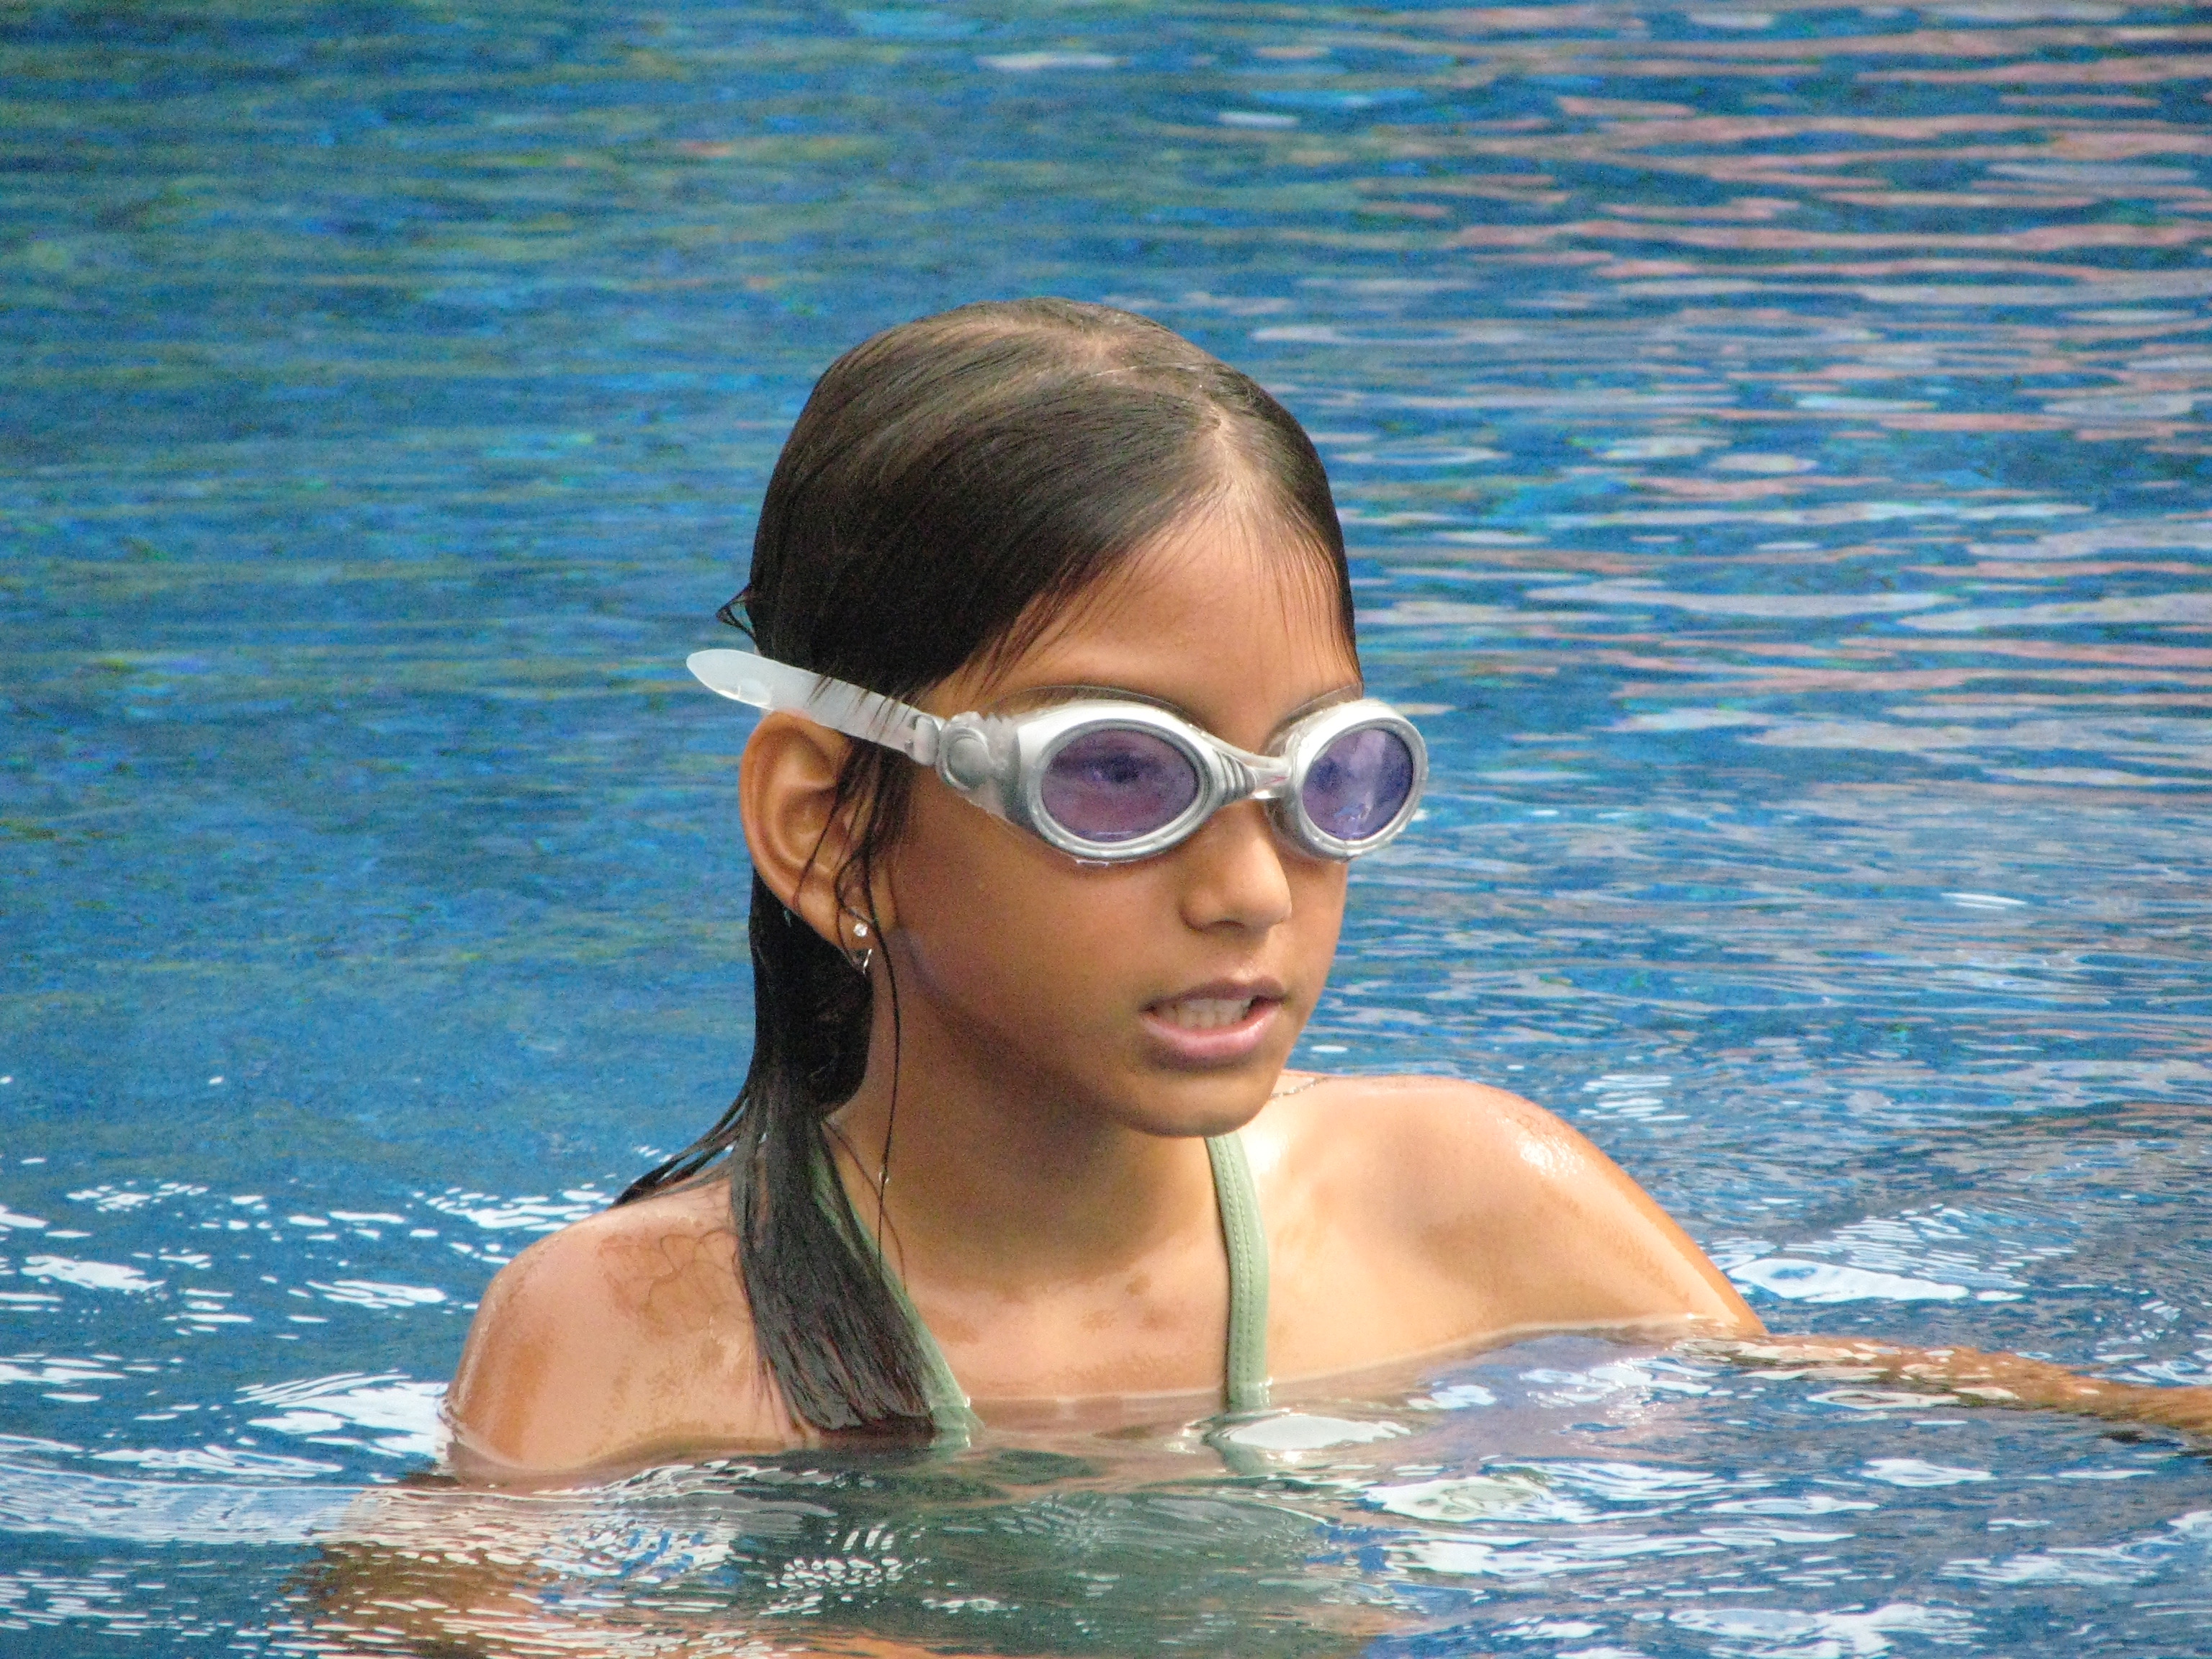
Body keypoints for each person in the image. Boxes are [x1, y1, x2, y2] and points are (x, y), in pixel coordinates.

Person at [444, 299, 2211, 1480]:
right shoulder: (631, 1332)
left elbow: (1819, 1407)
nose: (1249, 891)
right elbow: (427, 1622)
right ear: (829, 822)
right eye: (1118, 776)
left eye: (1327, 781)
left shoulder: (1465, 1196)